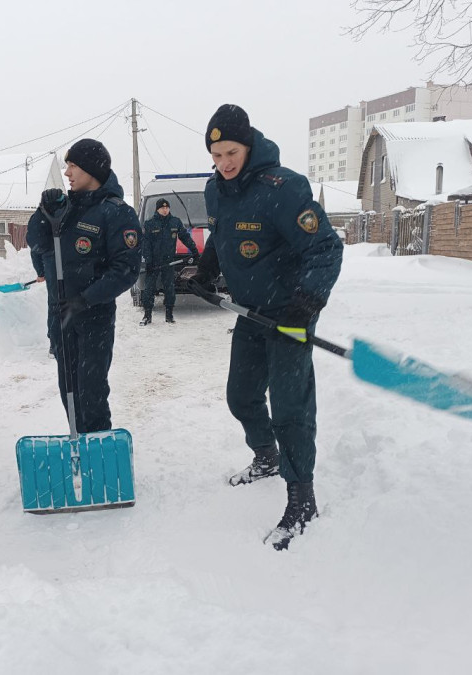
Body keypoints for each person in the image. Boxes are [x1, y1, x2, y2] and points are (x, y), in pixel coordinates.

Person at [187, 104, 343, 550]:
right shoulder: (216, 191)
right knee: (242, 395)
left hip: (290, 313)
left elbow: (326, 250)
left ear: (249, 144)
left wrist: (306, 302)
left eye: (230, 152)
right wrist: (205, 269)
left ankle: (302, 499)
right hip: (250, 313)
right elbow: (220, 235)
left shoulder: (285, 188)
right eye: (216, 156)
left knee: (290, 407)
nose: (224, 163)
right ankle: (266, 457)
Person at [26, 139, 141, 432]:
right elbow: (38, 244)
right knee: (69, 390)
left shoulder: (117, 212)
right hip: (60, 315)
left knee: (91, 392)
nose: (67, 173)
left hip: (94, 318)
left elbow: (125, 270)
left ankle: (99, 450)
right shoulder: (66, 208)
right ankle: (79, 444)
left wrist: (86, 299)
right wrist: (43, 212)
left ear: (92, 169)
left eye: (73, 166)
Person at [140, 197, 199, 325]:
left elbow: (185, 237)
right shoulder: (149, 224)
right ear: (157, 209)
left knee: (170, 289)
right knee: (149, 289)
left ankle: (169, 314)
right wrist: (148, 261)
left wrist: (194, 250)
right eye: (162, 208)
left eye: (167, 207)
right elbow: (146, 244)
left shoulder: (175, 222)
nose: (165, 210)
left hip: (169, 261)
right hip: (154, 263)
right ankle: (147, 315)